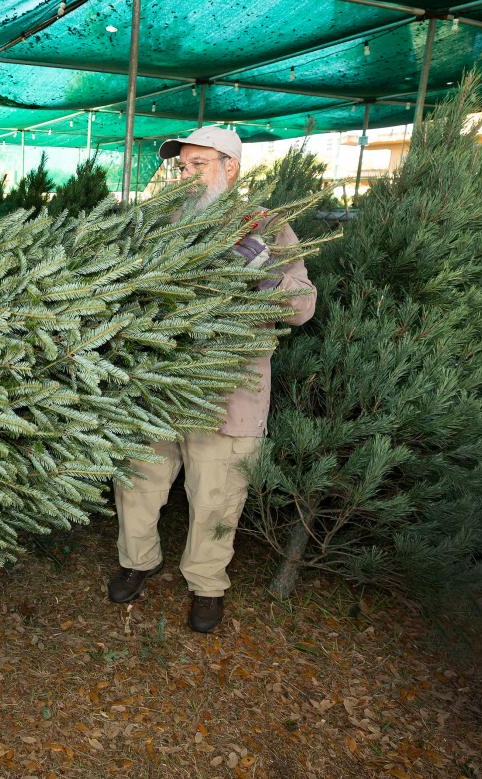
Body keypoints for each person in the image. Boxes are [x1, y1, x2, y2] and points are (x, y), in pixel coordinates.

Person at [107, 127, 317, 633]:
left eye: (199, 165)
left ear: (231, 168)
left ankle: (206, 585)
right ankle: (138, 560)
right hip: (158, 386)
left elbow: (303, 307)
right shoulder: (163, 223)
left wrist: (263, 268)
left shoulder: (266, 227)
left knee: (216, 498)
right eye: (182, 167)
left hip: (231, 394)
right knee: (136, 483)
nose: (187, 175)